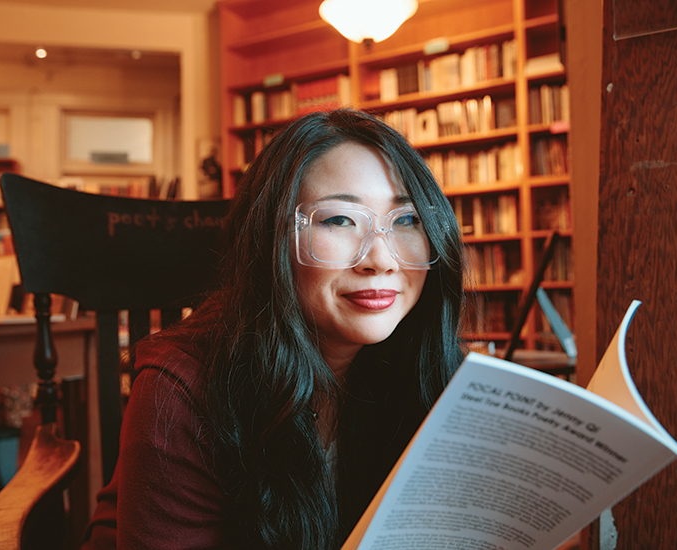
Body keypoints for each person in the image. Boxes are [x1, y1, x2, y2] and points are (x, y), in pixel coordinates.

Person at [81, 109, 466, 550]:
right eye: (339, 220)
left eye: (406, 220)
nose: (380, 259)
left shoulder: (417, 362)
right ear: (270, 239)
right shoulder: (183, 392)